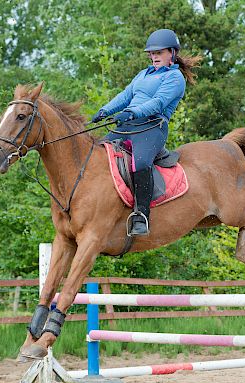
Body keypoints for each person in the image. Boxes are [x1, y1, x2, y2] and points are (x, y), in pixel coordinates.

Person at [91, 29, 201, 236]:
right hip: (128, 126)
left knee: (140, 163)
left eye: (159, 53)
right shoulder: (143, 74)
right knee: (96, 153)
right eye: (152, 53)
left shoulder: (175, 78)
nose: (154, 56)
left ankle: (141, 215)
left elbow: (158, 102)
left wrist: (132, 112)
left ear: (172, 53)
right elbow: (125, 96)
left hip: (151, 128)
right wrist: (104, 110)